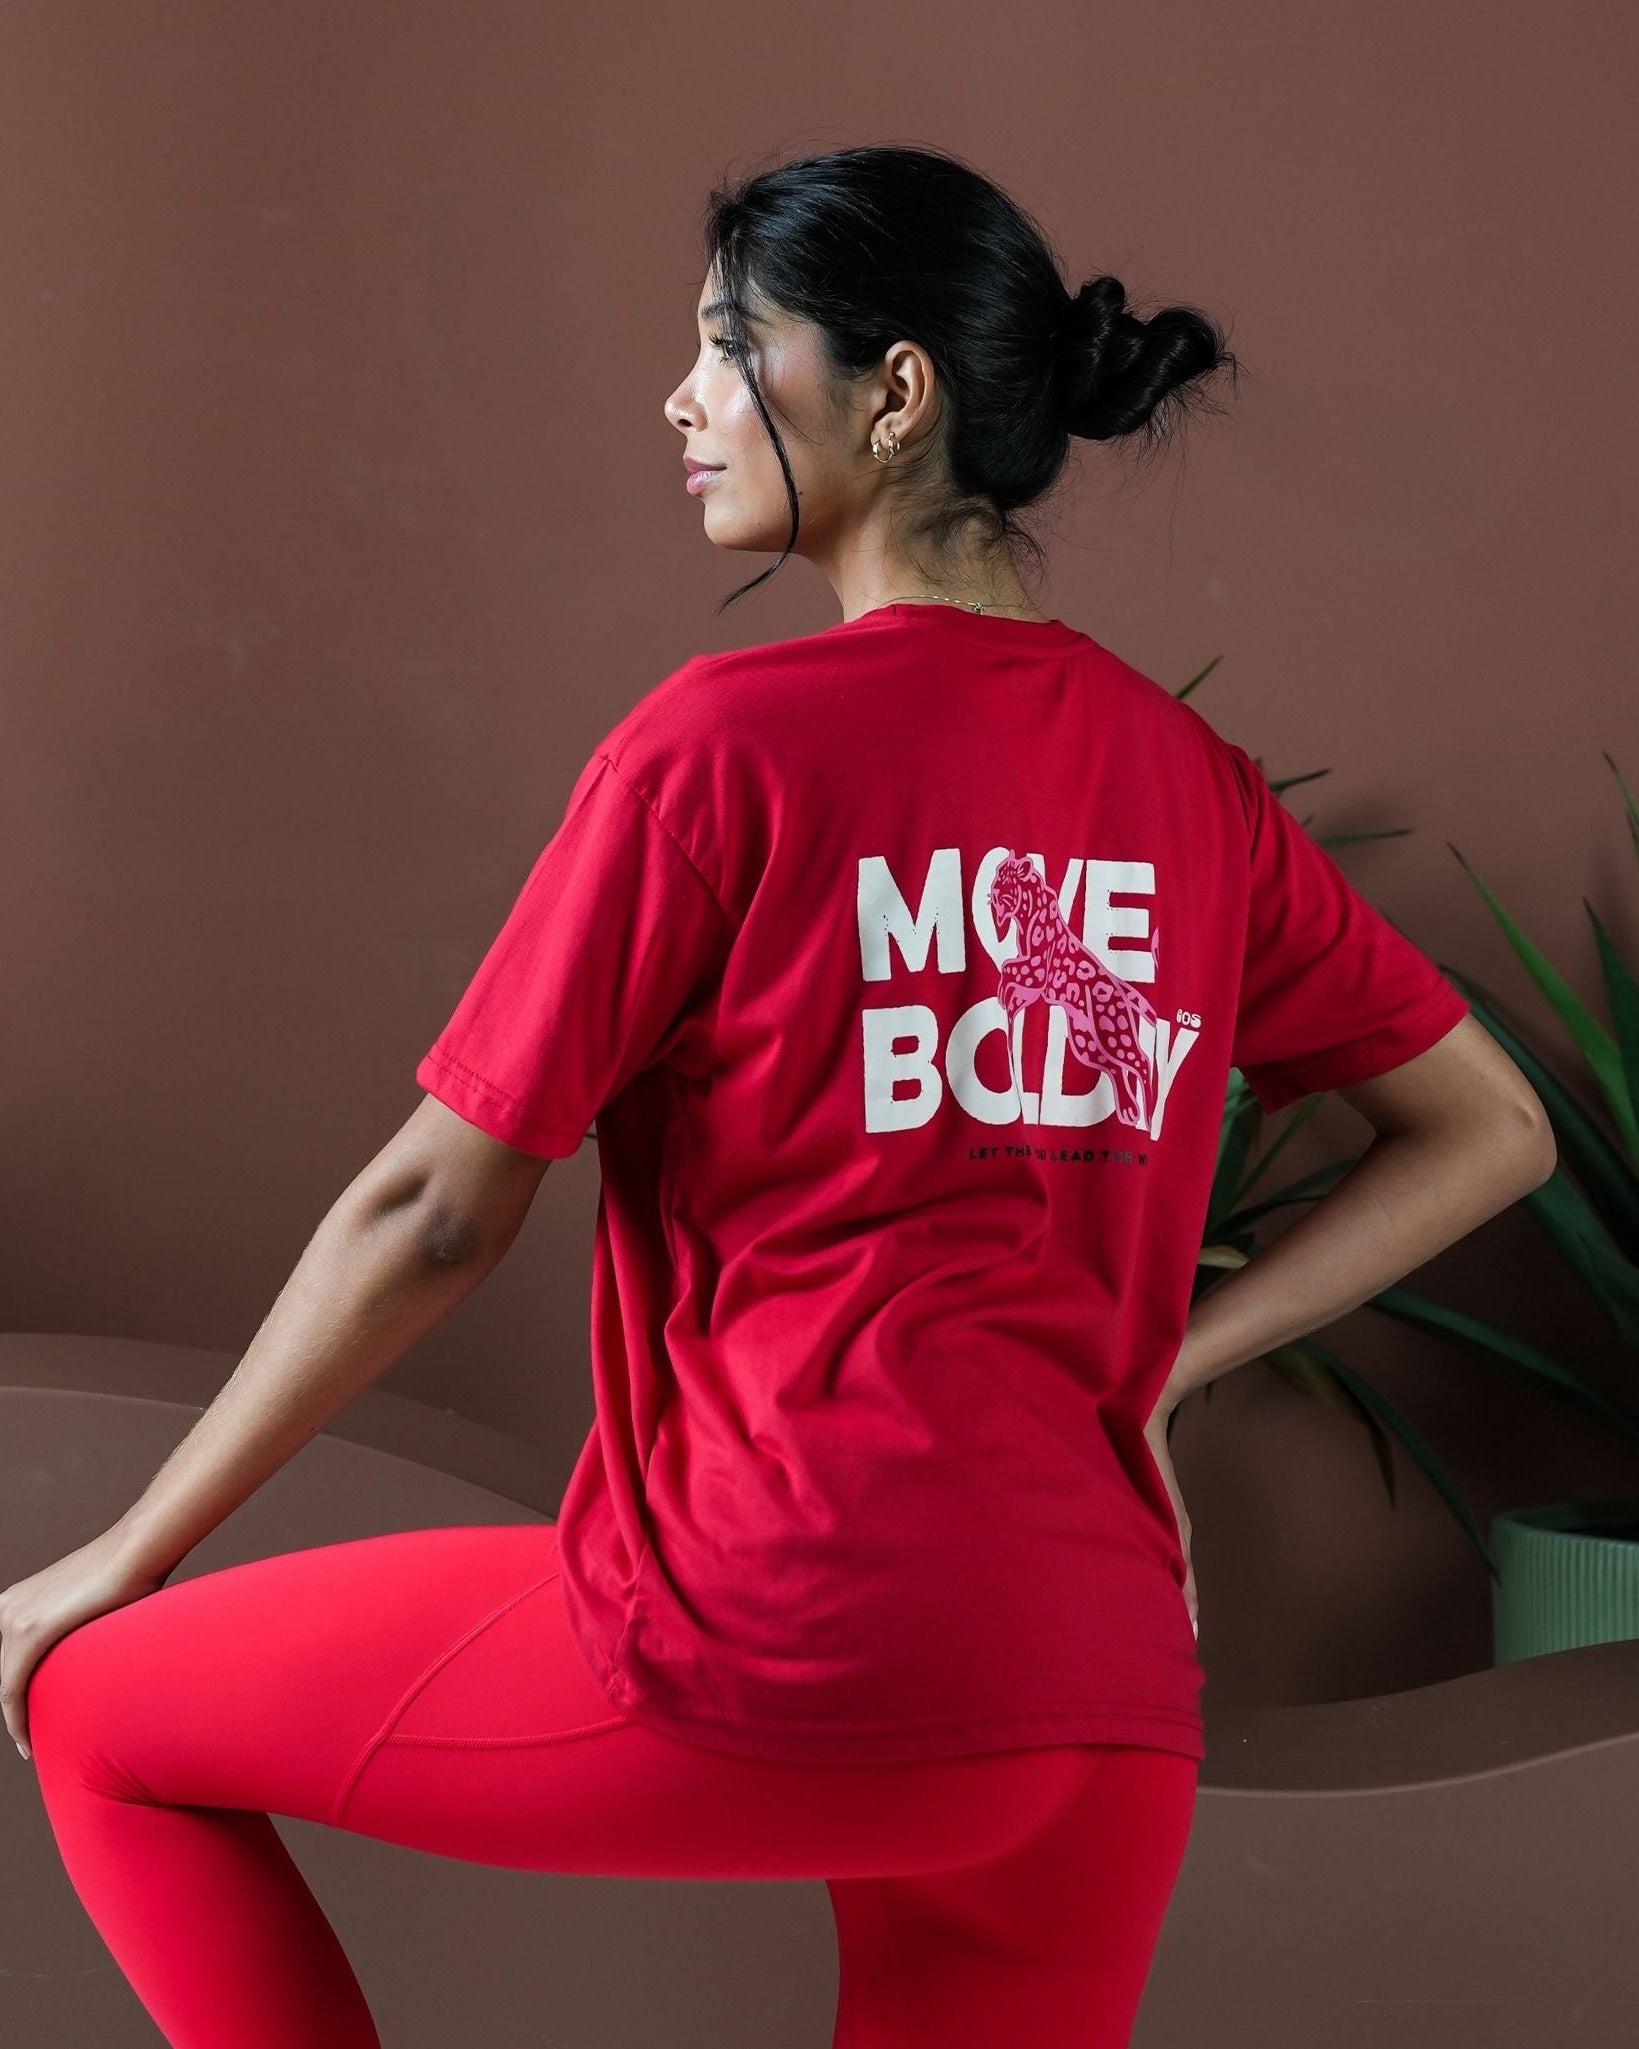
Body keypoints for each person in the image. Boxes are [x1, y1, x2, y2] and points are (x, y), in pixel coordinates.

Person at [3, 141, 1555, 2049]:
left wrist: (123, 1551)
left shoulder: (718, 755)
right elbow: (1498, 1124)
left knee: (98, 1715)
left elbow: (435, 1208)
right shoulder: (1183, 784)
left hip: (787, 1633)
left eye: (733, 344)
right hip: (1102, 1691)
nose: (682, 393)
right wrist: (1154, 1363)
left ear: (893, 395)